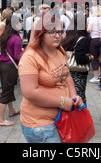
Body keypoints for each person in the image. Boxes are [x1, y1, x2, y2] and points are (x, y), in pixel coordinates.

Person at [19, 13, 83, 143]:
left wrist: (74, 97)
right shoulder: (30, 57)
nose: (58, 35)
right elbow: (29, 92)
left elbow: (67, 76)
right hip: (40, 125)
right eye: (52, 32)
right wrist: (61, 102)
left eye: (60, 31)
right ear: (41, 34)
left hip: (61, 119)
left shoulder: (59, 50)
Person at [0, 15, 23, 126]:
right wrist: (24, 52)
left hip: (2, 65)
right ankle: (0, 119)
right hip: (10, 67)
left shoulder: (4, 35)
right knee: (6, 92)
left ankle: (11, 110)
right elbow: (17, 56)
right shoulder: (16, 38)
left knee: (8, 88)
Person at [61, 15, 93, 104]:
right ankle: (81, 115)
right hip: (78, 74)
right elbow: (80, 58)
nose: (87, 24)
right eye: (86, 23)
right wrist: (90, 58)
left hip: (68, 71)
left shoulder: (68, 37)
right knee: (79, 96)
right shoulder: (82, 39)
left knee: (70, 95)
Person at [87, 6, 101, 83]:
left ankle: (96, 76)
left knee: (94, 58)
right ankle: (100, 75)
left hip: (94, 40)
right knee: (100, 58)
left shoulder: (92, 19)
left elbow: (88, 30)